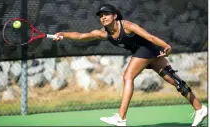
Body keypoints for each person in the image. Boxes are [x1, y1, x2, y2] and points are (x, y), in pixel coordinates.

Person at [53, 4, 207, 126]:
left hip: (147, 49)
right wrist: (63, 34)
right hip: (149, 53)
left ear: (114, 16)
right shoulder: (104, 33)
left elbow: (150, 37)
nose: (103, 18)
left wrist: (167, 46)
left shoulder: (127, 26)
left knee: (128, 76)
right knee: (175, 81)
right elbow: (81, 36)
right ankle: (200, 109)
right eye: (100, 16)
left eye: (106, 14)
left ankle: (121, 117)